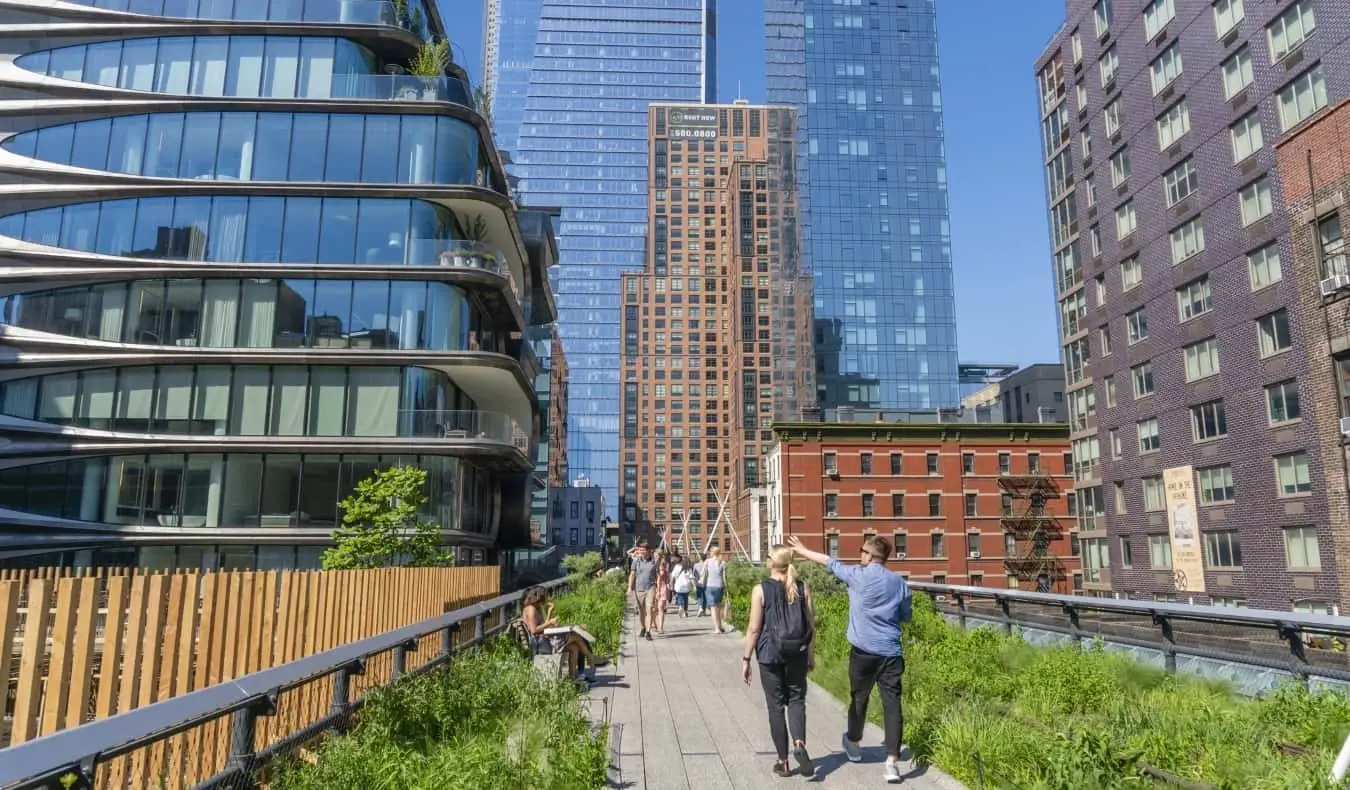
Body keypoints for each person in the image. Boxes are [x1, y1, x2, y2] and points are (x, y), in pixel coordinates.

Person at [787, 534, 912, 784]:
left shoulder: (856, 574)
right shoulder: (899, 583)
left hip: (863, 651)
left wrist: (801, 550)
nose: (860, 554)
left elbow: (827, 561)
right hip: (891, 652)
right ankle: (891, 764)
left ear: (870, 556)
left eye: (862, 550)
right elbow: (905, 616)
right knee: (892, 705)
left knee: (859, 699)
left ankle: (853, 743)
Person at [741, 546, 816, 778]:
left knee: (775, 707)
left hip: (769, 654)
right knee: (797, 699)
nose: (765, 559)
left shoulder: (760, 589)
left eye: (768, 556)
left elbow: (754, 628)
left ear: (773, 563)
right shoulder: (803, 587)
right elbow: (810, 625)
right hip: (797, 653)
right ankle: (800, 743)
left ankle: (783, 762)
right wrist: (810, 654)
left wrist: (746, 658)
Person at [521, 586, 608, 682]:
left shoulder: (537, 608)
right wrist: (550, 623)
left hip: (544, 640)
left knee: (574, 647)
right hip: (540, 643)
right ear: (540, 597)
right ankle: (591, 657)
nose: (548, 598)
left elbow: (544, 626)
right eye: (546, 596)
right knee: (575, 635)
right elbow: (534, 630)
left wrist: (550, 614)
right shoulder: (531, 609)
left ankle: (573, 678)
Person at [628, 542, 659, 640]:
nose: (641, 552)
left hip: (651, 587)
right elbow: (632, 574)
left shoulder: (654, 562)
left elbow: (657, 575)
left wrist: (658, 588)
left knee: (649, 608)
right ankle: (643, 627)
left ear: (648, 551)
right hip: (639, 589)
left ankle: (648, 632)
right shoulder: (636, 561)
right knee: (641, 611)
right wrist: (629, 588)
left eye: (643, 550)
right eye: (640, 550)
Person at [702, 545, 729, 634]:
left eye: (710, 551)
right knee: (718, 607)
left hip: (710, 586)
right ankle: (720, 626)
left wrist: (702, 584)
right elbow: (725, 577)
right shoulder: (723, 562)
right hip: (719, 587)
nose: (709, 552)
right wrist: (727, 588)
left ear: (712, 553)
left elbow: (703, 574)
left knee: (713, 608)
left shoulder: (707, 562)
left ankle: (717, 628)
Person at [652, 547, 671, 634]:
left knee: (661, 608)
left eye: (656, 556)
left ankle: (661, 628)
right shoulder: (652, 565)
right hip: (653, 588)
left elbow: (667, 578)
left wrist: (669, 587)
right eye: (654, 556)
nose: (655, 557)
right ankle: (654, 623)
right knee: (654, 608)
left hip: (662, 588)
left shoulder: (665, 565)